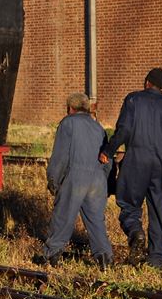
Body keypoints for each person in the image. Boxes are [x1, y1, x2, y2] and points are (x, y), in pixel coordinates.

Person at [99, 68, 162, 268]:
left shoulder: (133, 100)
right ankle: (156, 260)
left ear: (147, 82)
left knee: (128, 204)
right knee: (161, 211)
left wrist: (109, 150)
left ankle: (135, 231)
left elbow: (124, 131)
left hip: (136, 162)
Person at [33, 92, 114, 269]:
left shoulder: (67, 123)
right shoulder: (98, 127)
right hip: (98, 178)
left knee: (63, 216)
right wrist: (105, 181)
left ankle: (51, 255)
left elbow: (60, 157)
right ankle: (104, 258)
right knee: (95, 221)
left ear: (70, 108)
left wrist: (53, 181)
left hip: (76, 177)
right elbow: (108, 158)